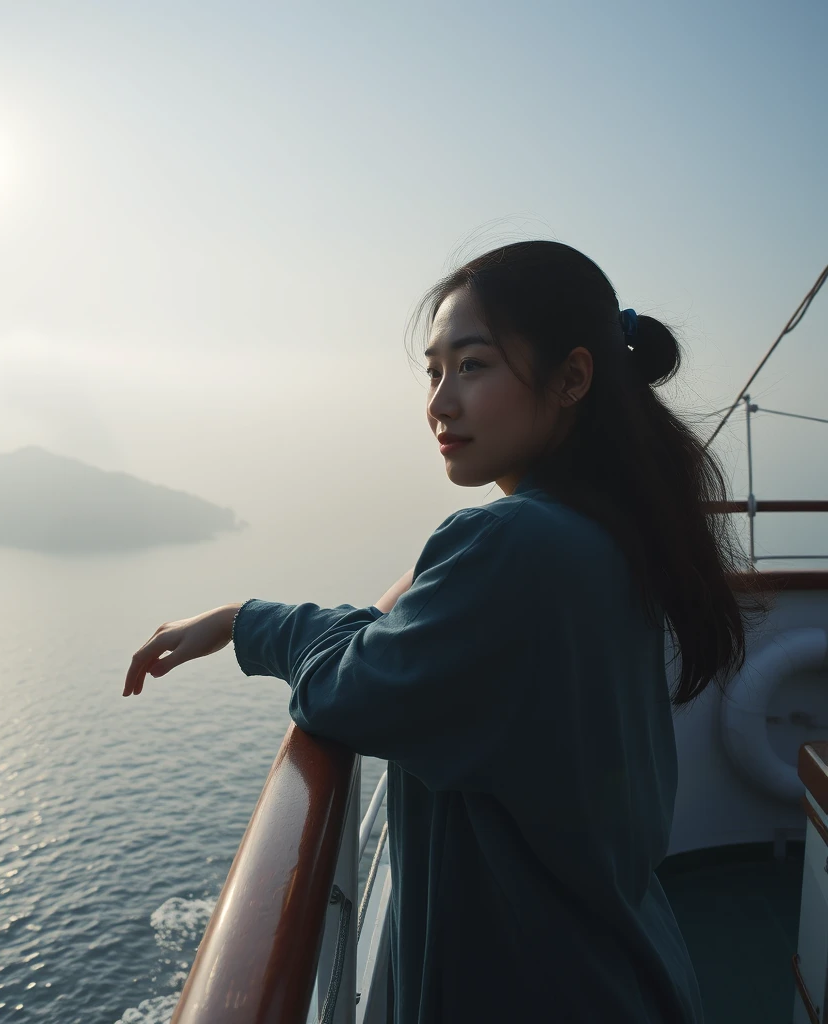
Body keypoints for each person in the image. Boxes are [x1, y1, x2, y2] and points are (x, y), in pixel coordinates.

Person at [122, 240, 769, 1022]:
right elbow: (427, 641)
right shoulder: (611, 526)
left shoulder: (513, 545)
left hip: (545, 990)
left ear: (572, 379)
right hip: (625, 963)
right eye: (433, 371)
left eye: (472, 366)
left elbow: (343, 692)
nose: (439, 402)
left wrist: (243, 623)